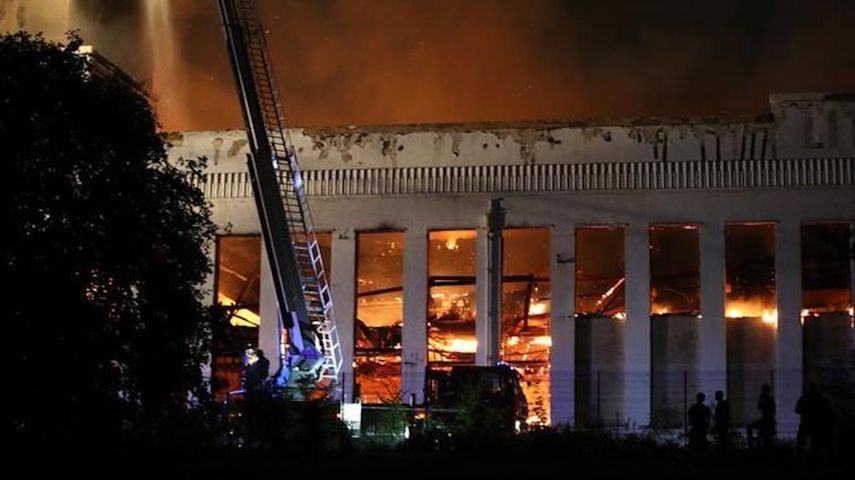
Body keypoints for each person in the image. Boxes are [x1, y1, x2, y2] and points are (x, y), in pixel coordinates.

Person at [795, 383, 833, 452]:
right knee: (815, 444)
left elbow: (797, 410)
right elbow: (827, 411)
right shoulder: (820, 399)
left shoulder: (804, 398)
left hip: (806, 422)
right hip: (816, 424)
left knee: (801, 443)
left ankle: (801, 457)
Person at [747, 383, 776, 449]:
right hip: (765, 419)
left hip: (767, 420)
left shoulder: (770, 400)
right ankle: (753, 445)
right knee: (761, 436)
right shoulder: (766, 399)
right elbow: (760, 407)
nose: (762, 391)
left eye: (763, 390)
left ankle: (754, 446)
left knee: (763, 437)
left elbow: (771, 412)